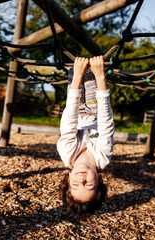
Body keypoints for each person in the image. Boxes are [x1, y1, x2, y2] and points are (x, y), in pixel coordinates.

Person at [57, 56, 114, 217]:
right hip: (97, 110)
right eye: (88, 185)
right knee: (93, 71)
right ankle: (96, 60)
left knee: (75, 69)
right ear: (99, 179)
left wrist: (76, 79)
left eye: (75, 185)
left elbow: (68, 119)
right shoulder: (103, 156)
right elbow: (106, 121)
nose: (81, 180)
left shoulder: (67, 153)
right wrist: (100, 77)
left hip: (75, 108)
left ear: (68, 179)